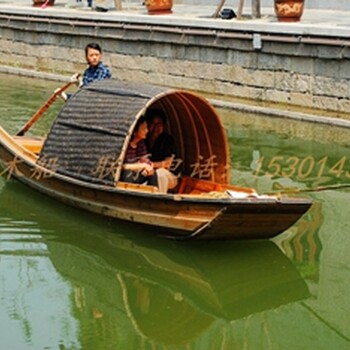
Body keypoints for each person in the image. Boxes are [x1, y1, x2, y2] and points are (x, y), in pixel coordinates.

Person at [145, 109, 178, 193]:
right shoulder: (143, 139)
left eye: (159, 124)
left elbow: (167, 164)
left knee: (160, 174)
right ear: (148, 124)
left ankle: (159, 200)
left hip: (169, 176)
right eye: (153, 123)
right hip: (147, 172)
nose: (156, 127)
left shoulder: (167, 140)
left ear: (163, 126)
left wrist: (150, 165)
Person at [121, 117, 158, 188]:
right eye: (143, 128)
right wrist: (143, 166)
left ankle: (154, 196)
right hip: (125, 175)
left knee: (153, 173)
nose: (147, 131)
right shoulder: (125, 145)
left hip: (137, 173)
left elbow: (146, 161)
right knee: (127, 173)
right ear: (135, 132)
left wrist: (148, 168)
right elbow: (123, 166)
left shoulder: (141, 144)